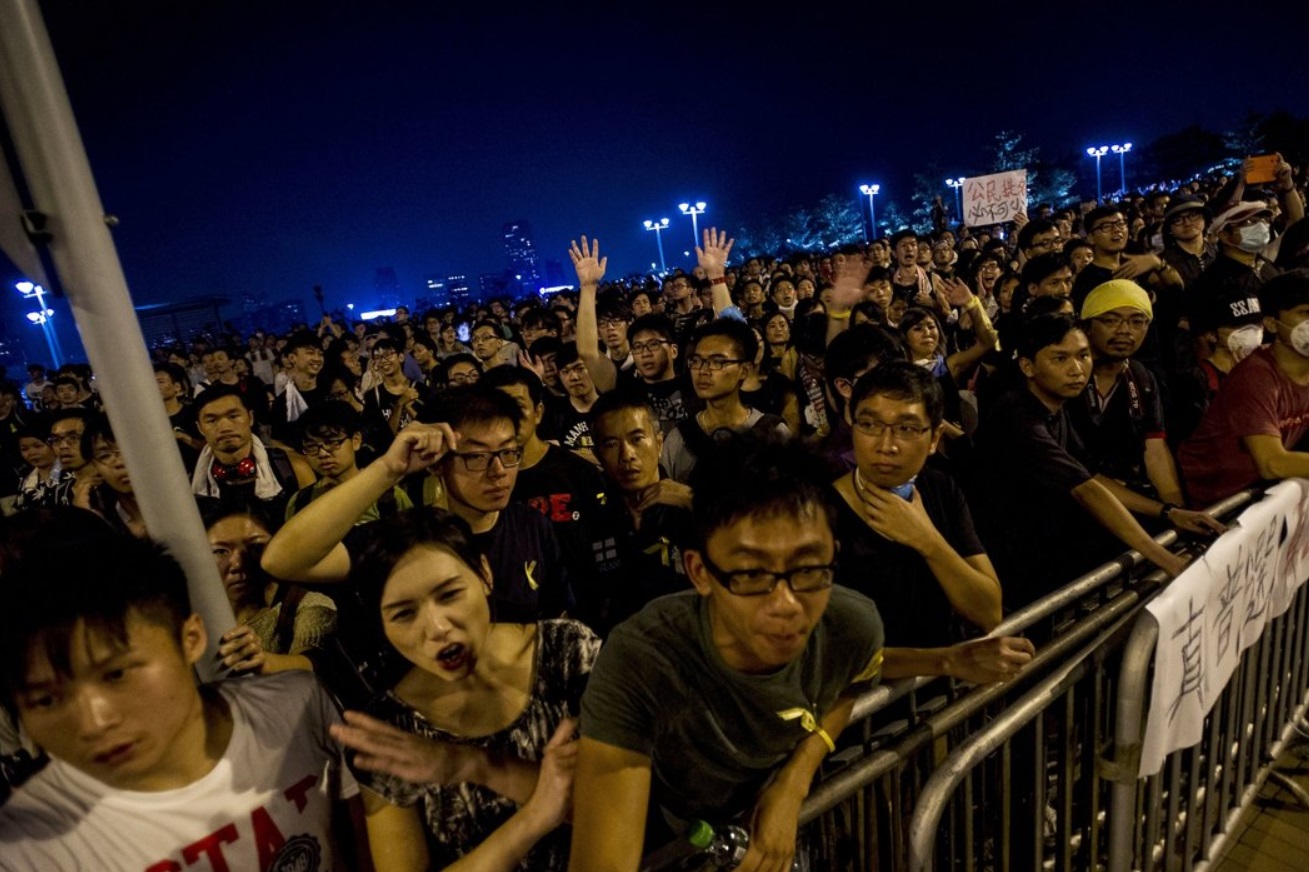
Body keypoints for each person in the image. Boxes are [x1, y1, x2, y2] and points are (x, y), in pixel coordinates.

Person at [570, 434, 891, 870]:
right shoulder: (644, 659)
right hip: (674, 820)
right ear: (699, 571)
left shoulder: (850, 626)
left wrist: (792, 784)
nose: (786, 604)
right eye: (750, 573)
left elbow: (851, 685)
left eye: (809, 567)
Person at [0, 510, 361, 871]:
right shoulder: (30, 847)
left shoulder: (295, 708)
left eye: (116, 674)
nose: (95, 721)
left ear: (191, 638)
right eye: (47, 699)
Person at [329, 507, 601, 871]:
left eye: (449, 595)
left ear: (485, 574)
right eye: (404, 614)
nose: (438, 627)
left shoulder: (567, 653)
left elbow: (616, 805)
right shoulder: (391, 731)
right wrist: (533, 816)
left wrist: (472, 765)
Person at [971, 314, 1224, 608]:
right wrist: (1168, 560)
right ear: (1028, 366)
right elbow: (1086, 489)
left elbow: (1090, 474)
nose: (1077, 369)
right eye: (1060, 359)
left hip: (1039, 552)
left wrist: (1169, 512)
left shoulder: (1055, 406)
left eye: (1083, 356)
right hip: (1007, 562)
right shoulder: (1018, 416)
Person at [1179, 270, 1309, 504]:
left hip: (1253, 498)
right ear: (1271, 323)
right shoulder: (1255, 377)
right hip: (1209, 505)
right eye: (1305, 313)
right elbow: (1272, 463)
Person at [207, 503, 339, 675]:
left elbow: (312, 662)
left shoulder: (306, 604)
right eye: (221, 551)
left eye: (255, 547)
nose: (238, 563)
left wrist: (264, 662)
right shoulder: (197, 615)